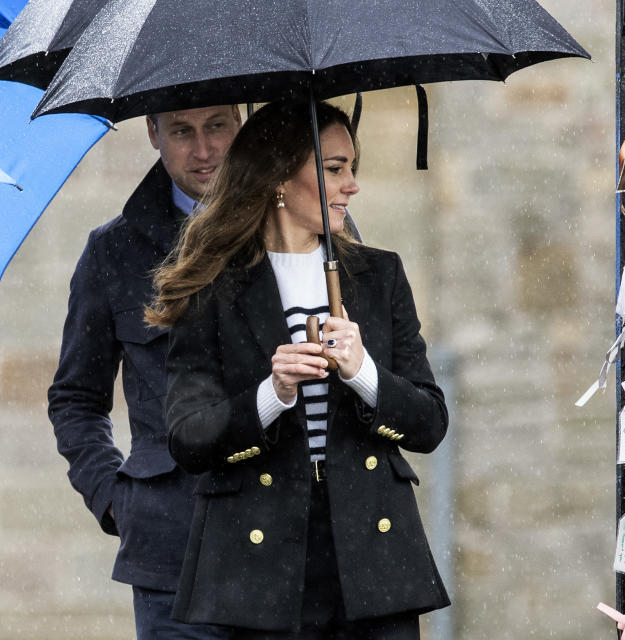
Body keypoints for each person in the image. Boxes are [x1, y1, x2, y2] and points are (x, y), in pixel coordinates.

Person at [146, 98, 450, 639]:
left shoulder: (378, 275)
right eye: (335, 169)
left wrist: (363, 372)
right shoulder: (211, 288)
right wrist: (273, 391)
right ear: (280, 178)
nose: (352, 185)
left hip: (375, 558)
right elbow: (189, 438)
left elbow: (429, 425)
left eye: (352, 167)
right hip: (258, 564)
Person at [47, 105, 243, 638]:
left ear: (241, 122)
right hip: (171, 553)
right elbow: (76, 400)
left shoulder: (298, 226)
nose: (203, 150)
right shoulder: (112, 250)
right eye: (182, 131)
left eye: (217, 127)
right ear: (152, 132)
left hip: (292, 548)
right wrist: (115, 500)